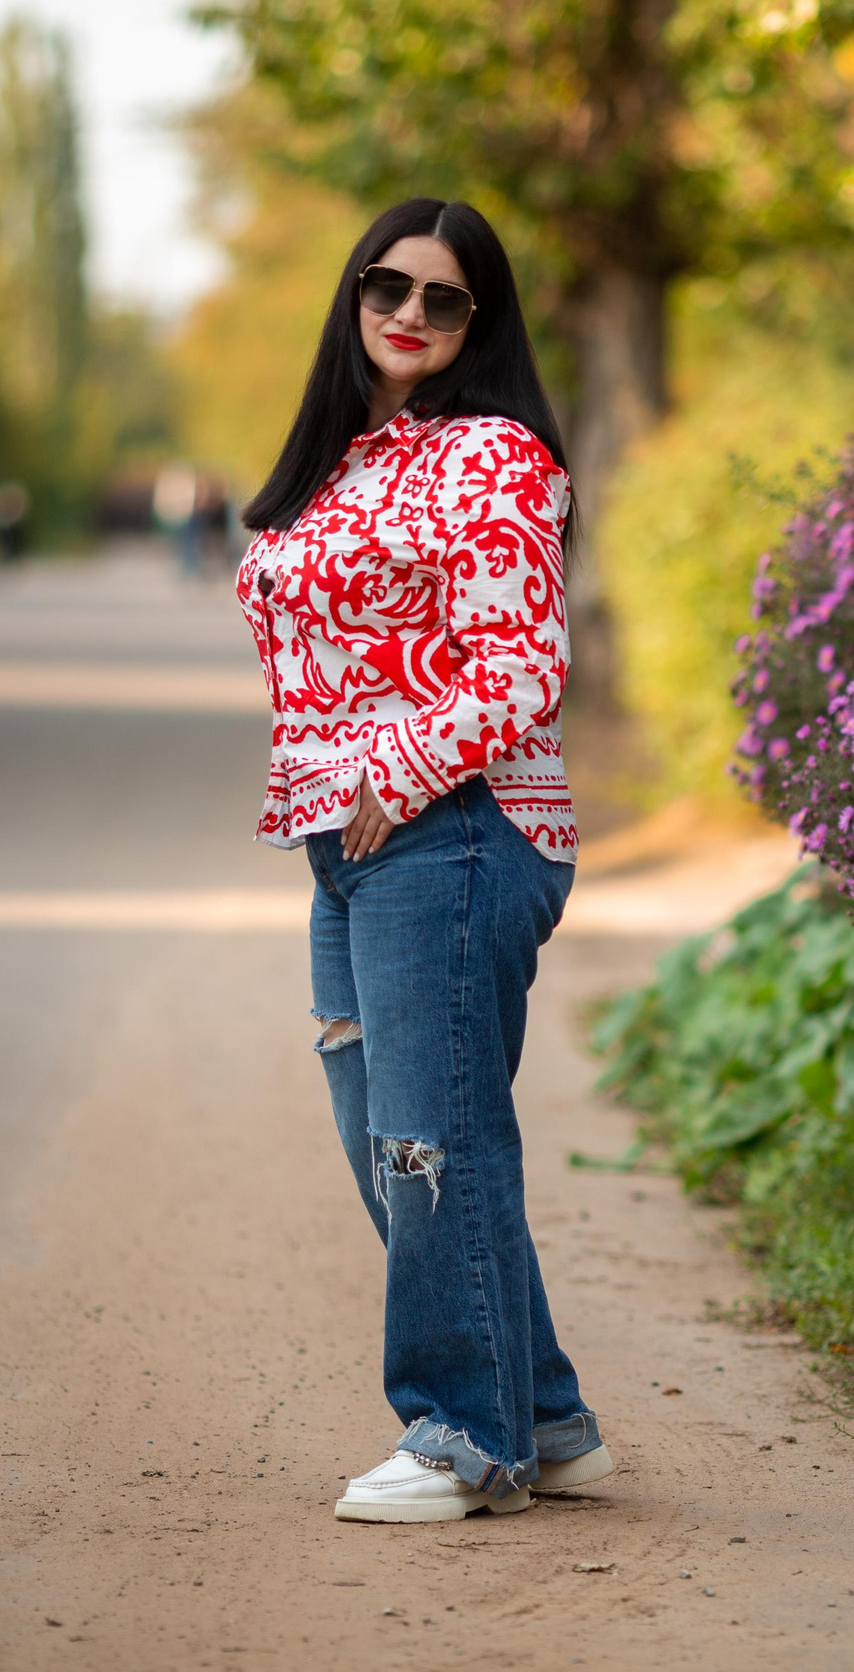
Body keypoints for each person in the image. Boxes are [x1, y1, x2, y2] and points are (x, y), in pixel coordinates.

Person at [234, 198, 610, 1524]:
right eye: (386, 285)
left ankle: (465, 1435)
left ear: (479, 319)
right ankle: (546, 1414)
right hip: (350, 847)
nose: (408, 311)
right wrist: (339, 802)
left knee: (424, 1145)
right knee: (402, 1141)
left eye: (443, 298)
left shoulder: (496, 457)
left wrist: (393, 775)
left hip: (451, 834)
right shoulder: (346, 459)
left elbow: (526, 667)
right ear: (354, 295)